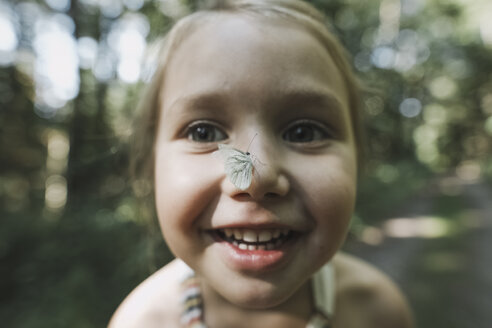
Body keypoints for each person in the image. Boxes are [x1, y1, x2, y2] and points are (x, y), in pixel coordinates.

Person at [109, 0, 414, 327]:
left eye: (303, 132)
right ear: (152, 161)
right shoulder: (141, 321)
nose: (256, 178)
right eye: (203, 132)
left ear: (358, 158)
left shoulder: (378, 311)